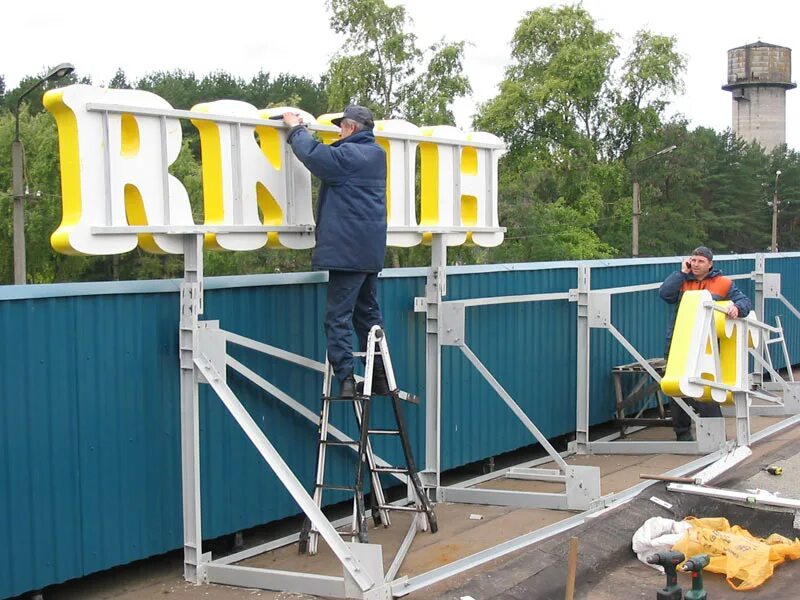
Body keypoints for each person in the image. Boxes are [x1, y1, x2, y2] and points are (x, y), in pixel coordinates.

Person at [282, 105, 391, 398]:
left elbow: (315, 156)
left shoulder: (350, 157)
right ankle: (379, 377)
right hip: (368, 252)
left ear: (351, 127)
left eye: (341, 127)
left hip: (348, 252)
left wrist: (294, 128)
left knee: (338, 316)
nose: (339, 132)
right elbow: (331, 156)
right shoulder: (375, 154)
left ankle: (345, 378)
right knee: (368, 315)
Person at [658, 246, 752, 441]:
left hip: (707, 346)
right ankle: (682, 435)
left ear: (710, 264)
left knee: (707, 388)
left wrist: (736, 307)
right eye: (693, 260)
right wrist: (681, 273)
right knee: (677, 389)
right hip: (678, 343)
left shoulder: (723, 283)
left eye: (700, 261)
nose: (695, 264)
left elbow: (744, 302)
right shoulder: (682, 281)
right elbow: (665, 294)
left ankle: (716, 435)